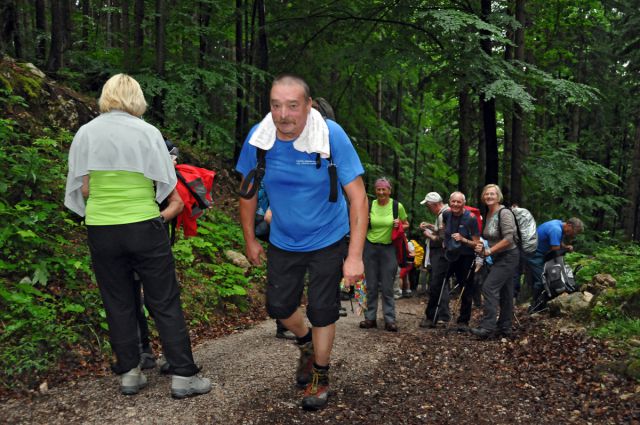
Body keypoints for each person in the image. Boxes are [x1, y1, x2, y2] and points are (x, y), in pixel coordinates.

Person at [64, 74, 211, 398]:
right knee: (164, 299)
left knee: (117, 300)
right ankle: (183, 376)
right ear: (137, 98)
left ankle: (130, 373)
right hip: (144, 225)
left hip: (102, 228)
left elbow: (84, 188)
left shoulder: (86, 133)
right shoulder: (147, 133)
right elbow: (166, 186)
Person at [236, 74, 367, 411]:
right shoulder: (260, 138)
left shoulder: (331, 136)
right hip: (283, 237)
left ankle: (319, 377)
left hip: (328, 237)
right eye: (276, 105)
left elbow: (358, 198)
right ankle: (306, 343)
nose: (284, 115)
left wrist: (354, 256)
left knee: (323, 310)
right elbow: (247, 193)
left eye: (293, 106)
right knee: (279, 307)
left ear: (308, 106)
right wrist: (250, 239)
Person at [471, 184, 520, 339]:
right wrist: (482, 246)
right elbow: (491, 237)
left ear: (498, 197)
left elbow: (508, 238)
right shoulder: (490, 213)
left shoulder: (504, 213)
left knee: (488, 287)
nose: (489, 196)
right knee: (506, 292)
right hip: (499, 257)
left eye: (492, 194)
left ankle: (487, 328)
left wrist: (489, 251)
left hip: (509, 256)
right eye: (486, 194)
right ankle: (505, 327)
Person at [359, 178, 408, 332]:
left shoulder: (396, 206)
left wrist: (399, 225)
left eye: (384, 189)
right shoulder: (370, 205)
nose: (381, 192)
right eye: (378, 189)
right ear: (375, 191)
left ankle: (390, 320)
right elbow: (359, 223)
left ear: (389, 190)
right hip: (370, 247)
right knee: (371, 286)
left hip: (389, 249)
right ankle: (370, 318)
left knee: (387, 287)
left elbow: (406, 224)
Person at [527, 217, 584, 313]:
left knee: (544, 278)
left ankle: (540, 303)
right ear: (569, 225)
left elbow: (557, 241)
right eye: (574, 232)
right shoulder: (556, 229)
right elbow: (555, 249)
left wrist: (565, 247)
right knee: (542, 279)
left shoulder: (559, 224)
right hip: (534, 254)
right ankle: (534, 306)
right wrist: (565, 250)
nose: (573, 235)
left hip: (540, 253)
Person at [441, 191, 480, 330]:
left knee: (466, 289)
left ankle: (463, 321)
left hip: (466, 257)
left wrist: (463, 240)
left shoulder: (471, 218)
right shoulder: (446, 214)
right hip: (450, 254)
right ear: (449, 202)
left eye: (459, 202)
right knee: (440, 282)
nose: (456, 204)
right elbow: (444, 228)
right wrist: (445, 241)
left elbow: (477, 243)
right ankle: (437, 315)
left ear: (464, 203)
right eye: (453, 201)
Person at [418, 192, 451, 327]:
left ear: (434, 204)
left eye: (428, 205)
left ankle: (438, 316)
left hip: (441, 254)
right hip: (443, 254)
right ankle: (443, 315)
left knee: (438, 284)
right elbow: (442, 231)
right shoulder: (443, 213)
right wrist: (431, 226)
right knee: (442, 283)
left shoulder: (444, 214)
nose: (427, 208)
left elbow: (442, 239)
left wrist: (427, 234)